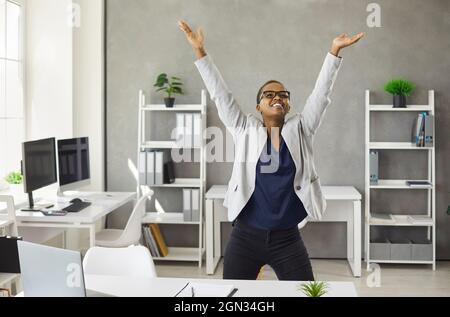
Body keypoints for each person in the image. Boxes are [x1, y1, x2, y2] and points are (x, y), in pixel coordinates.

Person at [179, 20, 364, 281]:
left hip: (287, 239)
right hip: (245, 237)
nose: (277, 97)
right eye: (269, 94)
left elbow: (321, 95)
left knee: (305, 293)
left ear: (288, 106)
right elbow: (220, 95)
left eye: (283, 95)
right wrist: (200, 51)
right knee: (233, 298)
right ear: (258, 107)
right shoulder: (243, 128)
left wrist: (334, 51)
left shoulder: (302, 128)